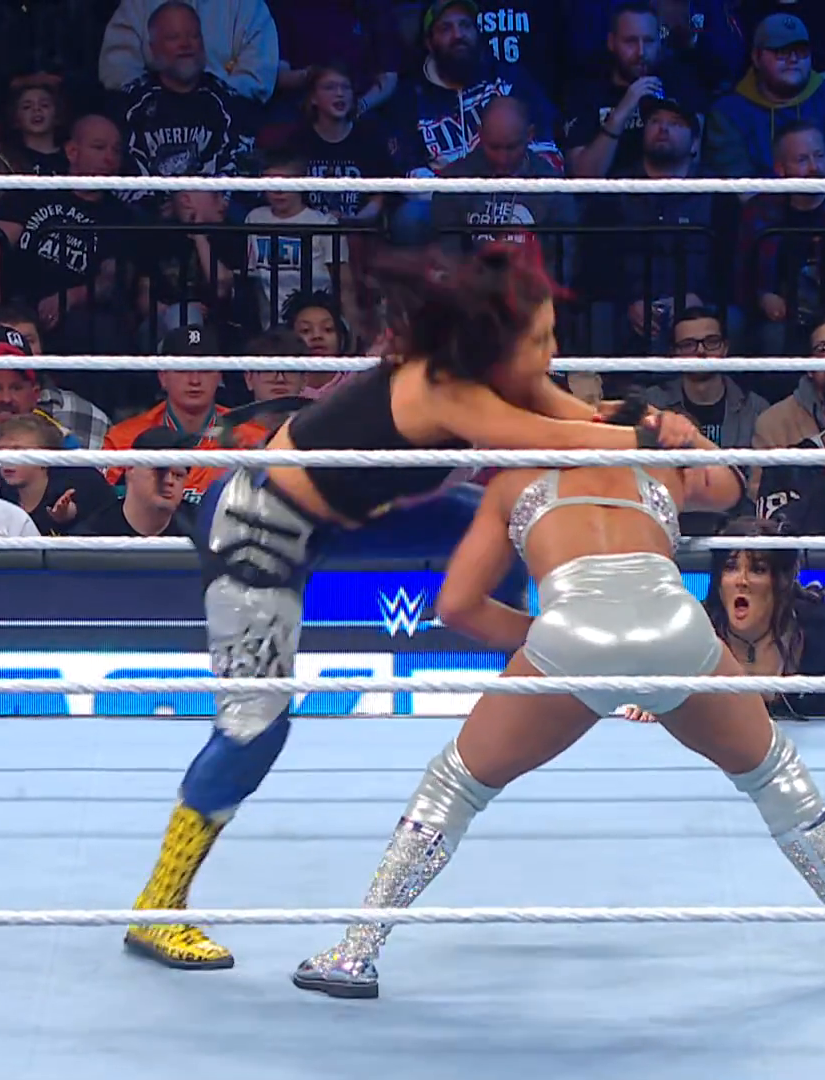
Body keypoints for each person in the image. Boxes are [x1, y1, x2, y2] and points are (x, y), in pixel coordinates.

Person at [123, 245, 705, 969]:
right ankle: (158, 907)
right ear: (496, 343)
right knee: (255, 727)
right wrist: (648, 439)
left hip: (347, 520)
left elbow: (580, 415)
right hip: (257, 531)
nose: (551, 353)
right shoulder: (441, 386)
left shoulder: (501, 377)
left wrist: (654, 420)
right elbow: (558, 439)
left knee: (500, 522)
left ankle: (551, 652)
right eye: (541, 340)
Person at [291, 395, 825, 999]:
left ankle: (356, 951)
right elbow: (734, 485)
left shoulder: (515, 484)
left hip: (573, 634)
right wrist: (685, 434)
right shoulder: (659, 474)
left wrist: (547, 641)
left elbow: (456, 607)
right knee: (774, 772)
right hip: (675, 626)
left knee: (455, 785)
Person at [702, 517, 825, 721]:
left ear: (781, 581)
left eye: (758, 570)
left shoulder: (814, 622)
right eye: (730, 567)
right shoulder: (700, 629)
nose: (741, 581)